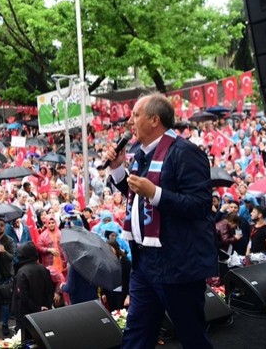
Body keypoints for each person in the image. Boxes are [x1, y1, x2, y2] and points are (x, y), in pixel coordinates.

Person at [105, 93, 217, 349]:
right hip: (145, 264)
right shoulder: (139, 153)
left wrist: (155, 193)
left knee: (192, 336)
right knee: (136, 335)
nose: (130, 121)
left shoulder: (185, 153)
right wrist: (117, 169)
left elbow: (199, 205)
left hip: (177, 264)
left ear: (154, 120)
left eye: (136, 114)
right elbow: (138, 200)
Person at [11, 242, 62, 334]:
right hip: (42, 313)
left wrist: (37, 308)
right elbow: (49, 291)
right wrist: (45, 307)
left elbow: (22, 296)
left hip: (25, 315)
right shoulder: (43, 268)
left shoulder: (21, 272)